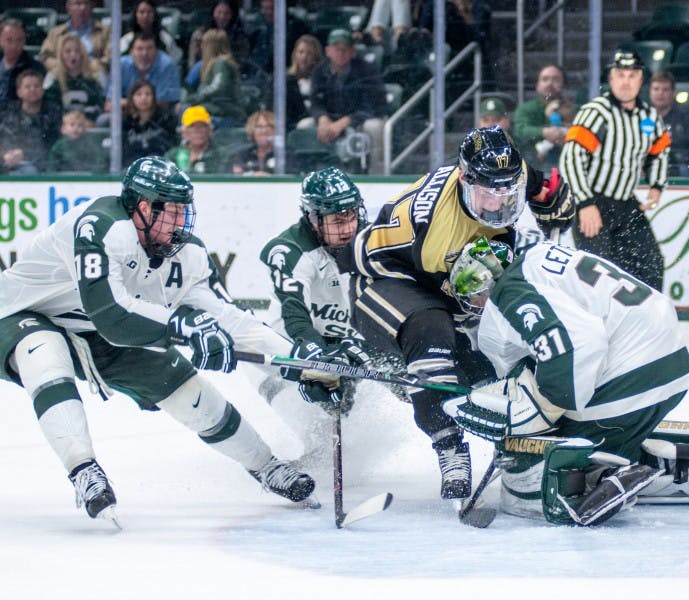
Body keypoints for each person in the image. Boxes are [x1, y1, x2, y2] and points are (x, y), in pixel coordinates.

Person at [0, 156, 349, 523]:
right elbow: (111, 315)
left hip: (93, 330)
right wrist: (183, 324)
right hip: (19, 316)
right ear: (143, 207)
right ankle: (84, 469)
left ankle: (267, 466)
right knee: (43, 352)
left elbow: (230, 319)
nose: (181, 223)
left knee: (187, 390)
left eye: (185, 212)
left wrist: (302, 364)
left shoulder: (189, 254)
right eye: (173, 212)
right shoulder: (101, 226)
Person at [441, 238, 689, 526]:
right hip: (666, 364)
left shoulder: (510, 291)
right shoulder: (539, 256)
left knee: (535, 464)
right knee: (579, 430)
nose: (476, 301)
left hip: (634, 373)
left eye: (473, 288)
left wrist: (533, 415)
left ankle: (596, 478)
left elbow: (578, 344)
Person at [349, 125, 575, 500]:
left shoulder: (506, 171)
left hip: (444, 282)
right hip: (382, 280)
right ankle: (450, 448)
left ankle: (531, 444)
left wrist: (547, 196)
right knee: (432, 338)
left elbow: (534, 181)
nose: (499, 203)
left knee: (491, 370)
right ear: (464, 179)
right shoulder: (435, 224)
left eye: (508, 191)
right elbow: (369, 260)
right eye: (489, 193)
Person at [256, 167, 394, 451]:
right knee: (317, 431)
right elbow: (294, 311)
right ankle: (312, 462)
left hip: (347, 341)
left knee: (404, 379)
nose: (347, 228)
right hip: (288, 349)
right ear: (313, 217)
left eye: (352, 216)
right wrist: (317, 357)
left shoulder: (371, 239)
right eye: (336, 221)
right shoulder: (289, 250)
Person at [559, 49, 670, 292]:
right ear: (610, 79)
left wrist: (657, 185)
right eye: (620, 75)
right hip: (594, 202)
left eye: (632, 75)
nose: (626, 81)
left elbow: (659, 150)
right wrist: (585, 204)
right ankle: (596, 327)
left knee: (650, 265)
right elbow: (571, 158)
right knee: (597, 275)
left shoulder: (648, 116)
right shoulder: (597, 112)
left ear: (641, 80)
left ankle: (646, 324)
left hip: (626, 204)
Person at [310, 29, 388, 174]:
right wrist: (322, 119)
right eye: (336, 49)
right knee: (305, 124)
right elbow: (316, 102)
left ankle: (377, 173)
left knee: (375, 127)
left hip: (361, 120)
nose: (341, 53)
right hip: (330, 120)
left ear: (352, 51)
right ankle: (308, 171)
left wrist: (343, 123)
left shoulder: (367, 70)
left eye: (345, 49)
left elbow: (369, 106)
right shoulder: (319, 71)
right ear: (328, 51)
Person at [513, 64, 574, 171]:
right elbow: (519, 131)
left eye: (555, 79)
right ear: (537, 85)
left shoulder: (573, 109)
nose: (550, 83)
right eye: (545, 79)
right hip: (533, 170)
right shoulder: (526, 109)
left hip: (568, 168)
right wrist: (544, 132)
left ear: (564, 85)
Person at [105, 32, 181, 117]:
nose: (144, 53)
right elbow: (109, 104)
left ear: (156, 51)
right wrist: (139, 103)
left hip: (159, 115)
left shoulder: (167, 65)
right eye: (139, 49)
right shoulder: (120, 65)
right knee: (104, 119)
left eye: (149, 48)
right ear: (131, 52)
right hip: (127, 115)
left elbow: (165, 103)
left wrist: (129, 102)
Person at [0, 70, 62, 174]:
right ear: (19, 92)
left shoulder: (53, 113)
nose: (32, 89)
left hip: (36, 164)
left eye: (37, 86)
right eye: (27, 87)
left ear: (42, 90)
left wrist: (24, 154)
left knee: (30, 171)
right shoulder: (7, 111)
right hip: (4, 160)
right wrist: (4, 156)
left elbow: (52, 144)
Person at [182, 28, 246, 129]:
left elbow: (217, 87)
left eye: (204, 43)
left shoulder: (221, 63)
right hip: (218, 108)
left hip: (226, 111)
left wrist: (197, 97)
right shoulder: (212, 64)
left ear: (211, 46)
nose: (202, 47)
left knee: (186, 110)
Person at [648, 69, 689, 176]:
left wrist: (674, 156)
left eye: (665, 90)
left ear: (673, 92)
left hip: (680, 167)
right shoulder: (643, 117)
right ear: (650, 91)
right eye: (656, 89)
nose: (660, 93)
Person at [42, 34, 105, 125]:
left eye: (77, 51)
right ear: (61, 55)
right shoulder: (53, 77)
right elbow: (50, 106)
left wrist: (84, 121)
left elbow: (99, 105)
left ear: (82, 54)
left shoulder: (95, 78)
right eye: (68, 51)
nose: (73, 55)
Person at [38, 0, 111, 74]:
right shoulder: (55, 33)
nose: (83, 7)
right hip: (62, 75)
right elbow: (45, 56)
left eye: (86, 3)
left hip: (94, 74)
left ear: (92, 7)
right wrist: (64, 66)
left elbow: (110, 56)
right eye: (78, 3)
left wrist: (90, 66)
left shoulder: (104, 32)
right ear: (68, 8)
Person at [122, 79, 179, 165]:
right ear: (132, 98)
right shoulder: (126, 122)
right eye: (138, 94)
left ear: (154, 97)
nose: (143, 98)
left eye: (148, 94)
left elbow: (172, 145)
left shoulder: (166, 118)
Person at [247, 0, 310, 76]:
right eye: (266, 9)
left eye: (272, 8)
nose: (269, 13)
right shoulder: (259, 29)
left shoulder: (297, 28)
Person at [166, 104, 228, 174]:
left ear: (209, 130)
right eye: (192, 126)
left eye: (203, 126)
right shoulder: (172, 155)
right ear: (184, 132)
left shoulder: (221, 155)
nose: (198, 131)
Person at [119, 0, 183, 66]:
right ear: (136, 15)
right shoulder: (126, 40)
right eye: (142, 12)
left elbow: (174, 60)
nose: (145, 16)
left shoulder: (165, 38)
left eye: (149, 12)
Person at [0, 18, 46, 106]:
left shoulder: (35, 68)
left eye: (19, 40)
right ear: (0, 40)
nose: (14, 45)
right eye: (9, 40)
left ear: (24, 41)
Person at [230, 109, 288, 175]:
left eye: (269, 126)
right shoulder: (241, 155)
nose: (264, 131)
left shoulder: (286, 154)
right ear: (252, 130)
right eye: (259, 127)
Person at [286, 34, 324, 131]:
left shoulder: (323, 79)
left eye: (309, 53)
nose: (304, 57)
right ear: (295, 54)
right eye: (301, 52)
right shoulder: (287, 80)